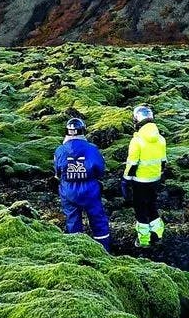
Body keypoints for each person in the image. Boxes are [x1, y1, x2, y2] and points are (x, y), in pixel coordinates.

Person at [53, 117, 110, 251]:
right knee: (98, 220)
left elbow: (57, 172)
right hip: (90, 190)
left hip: (68, 190)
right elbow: (100, 169)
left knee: (72, 221)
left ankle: (76, 250)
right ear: (83, 131)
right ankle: (104, 250)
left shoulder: (60, 150)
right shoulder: (92, 149)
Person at [121, 105, 167, 248]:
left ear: (137, 121)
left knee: (140, 211)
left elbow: (132, 164)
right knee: (152, 207)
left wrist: (125, 181)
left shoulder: (137, 141)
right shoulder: (160, 139)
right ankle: (158, 235)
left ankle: (144, 240)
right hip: (155, 179)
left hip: (140, 182)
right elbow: (163, 162)